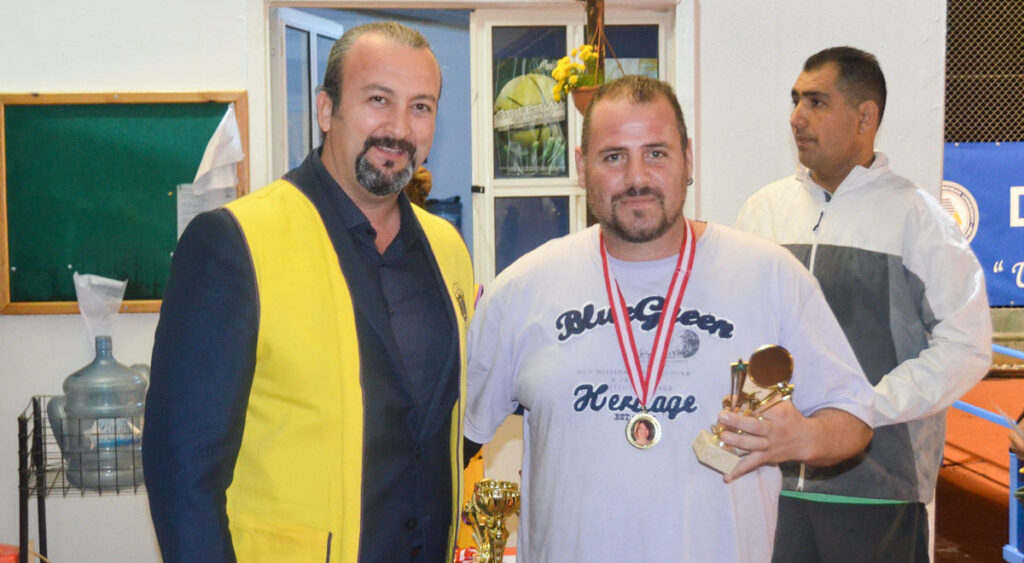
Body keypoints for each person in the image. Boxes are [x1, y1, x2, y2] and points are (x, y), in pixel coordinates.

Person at [463, 75, 874, 562]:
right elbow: (455, 441)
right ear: (581, 167)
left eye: (656, 153)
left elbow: (855, 419)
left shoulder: (771, 277)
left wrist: (802, 436)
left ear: (688, 159)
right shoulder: (522, 289)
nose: (637, 177)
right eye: (613, 156)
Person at [143, 22, 474, 562]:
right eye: (378, 100)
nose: (398, 128)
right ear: (326, 109)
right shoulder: (233, 243)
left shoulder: (448, 250)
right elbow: (182, 474)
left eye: (421, 107)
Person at [735, 46, 993, 562]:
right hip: (770, 486)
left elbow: (968, 346)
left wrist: (861, 411)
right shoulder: (762, 212)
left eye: (816, 102)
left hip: (876, 488)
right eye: (795, 100)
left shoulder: (918, 219)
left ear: (865, 117)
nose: (796, 117)